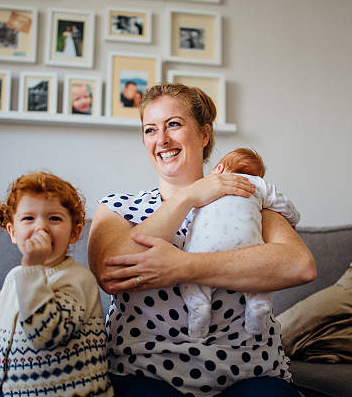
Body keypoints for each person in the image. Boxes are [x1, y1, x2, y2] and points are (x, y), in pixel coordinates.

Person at [88, 83, 316, 396]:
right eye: (150, 130)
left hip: (250, 374)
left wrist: (183, 267)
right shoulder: (119, 207)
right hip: (144, 373)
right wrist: (189, 196)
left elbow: (299, 266)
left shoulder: (243, 194)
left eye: (174, 125)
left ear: (204, 134)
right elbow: (111, 273)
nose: (162, 139)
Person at [0, 171, 112, 397]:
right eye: (28, 218)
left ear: (74, 232)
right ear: (13, 232)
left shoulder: (77, 280)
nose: (41, 228)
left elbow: (48, 334)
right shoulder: (16, 277)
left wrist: (33, 269)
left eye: (54, 218)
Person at [181, 148, 300, 339]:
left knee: (190, 277)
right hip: (247, 244)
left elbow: (186, 214)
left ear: (218, 168)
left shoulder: (204, 187)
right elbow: (284, 205)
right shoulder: (258, 185)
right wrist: (293, 220)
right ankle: (258, 304)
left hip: (204, 247)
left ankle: (199, 310)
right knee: (258, 271)